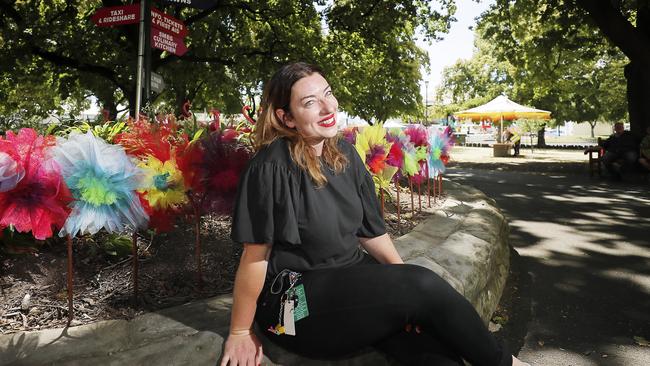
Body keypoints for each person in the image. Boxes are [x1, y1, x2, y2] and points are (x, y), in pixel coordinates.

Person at [221, 62, 529, 366]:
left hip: (351, 284)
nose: (328, 107)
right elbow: (255, 257)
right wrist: (239, 330)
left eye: (328, 94)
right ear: (286, 117)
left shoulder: (344, 153)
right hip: (294, 301)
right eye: (310, 103)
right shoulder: (270, 167)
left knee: (437, 354)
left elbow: (371, 232)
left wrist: (407, 292)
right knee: (421, 285)